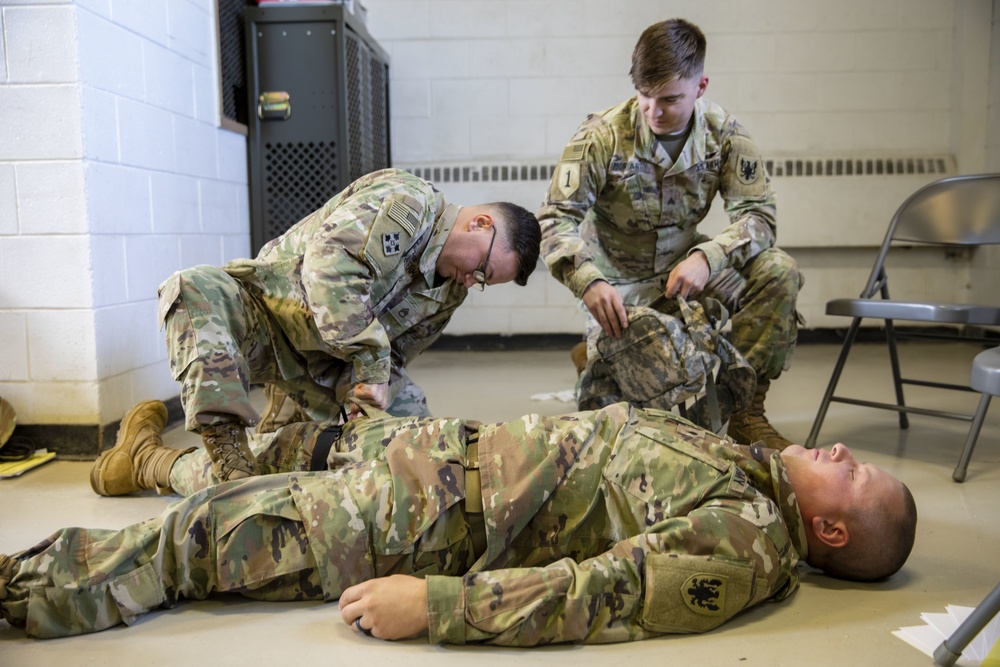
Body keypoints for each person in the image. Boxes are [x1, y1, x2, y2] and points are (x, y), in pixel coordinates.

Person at [1, 400, 917, 642]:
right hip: (427, 455)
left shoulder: (746, 539)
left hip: (417, 520)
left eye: (857, 475)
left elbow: (595, 595)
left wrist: (436, 603)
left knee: (195, 538)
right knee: (272, 446)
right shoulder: (750, 470)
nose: (841, 452)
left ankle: (21, 592)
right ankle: (148, 461)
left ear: (830, 533)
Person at [92, 168, 541, 488]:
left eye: (484, 283)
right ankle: (226, 449)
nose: (472, 282)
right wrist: (370, 367)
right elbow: (329, 271)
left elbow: (395, 358)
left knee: (412, 458)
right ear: (480, 224)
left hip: (328, 368)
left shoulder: (450, 293)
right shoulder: (408, 203)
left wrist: (363, 403)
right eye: (481, 270)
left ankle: (150, 461)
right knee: (192, 288)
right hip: (269, 321)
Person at [538, 18, 802, 449]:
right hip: (617, 284)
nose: (654, 112)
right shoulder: (602, 136)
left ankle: (746, 411)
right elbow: (554, 219)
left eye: (670, 99)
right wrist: (589, 281)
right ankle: (602, 352)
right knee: (632, 433)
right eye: (645, 97)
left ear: (700, 87)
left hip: (686, 271)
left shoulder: (725, 136)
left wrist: (708, 258)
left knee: (778, 271)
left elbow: (759, 216)